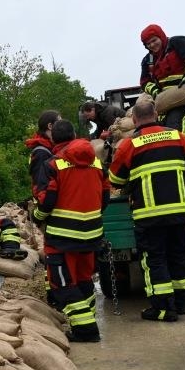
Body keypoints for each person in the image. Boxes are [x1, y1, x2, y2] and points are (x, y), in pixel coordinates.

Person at [108, 99, 185, 321]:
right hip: (179, 213)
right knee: (177, 257)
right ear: (157, 114)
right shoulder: (178, 137)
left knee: (154, 261)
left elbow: (115, 179)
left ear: (134, 119)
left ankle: (162, 309)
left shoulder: (130, 145)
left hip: (149, 216)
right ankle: (180, 304)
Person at [33, 121, 111, 342]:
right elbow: (105, 198)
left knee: (62, 285)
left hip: (62, 238)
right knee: (84, 279)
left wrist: (36, 217)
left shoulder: (53, 165)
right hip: (92, 236)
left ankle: (86, 331)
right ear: (75, 135)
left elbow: (47, 201)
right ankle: (87, 321)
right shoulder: (96, 163)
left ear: (54, 140)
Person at [139, 24, 185, 134]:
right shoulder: (147, 60)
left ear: (161, 36)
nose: (152, 45)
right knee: (158, 125)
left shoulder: (178, 42)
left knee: (175, 121)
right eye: (148, 43)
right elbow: (145, 82)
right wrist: (156, 92)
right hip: (166, 96)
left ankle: (178, 148)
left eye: (154, 40)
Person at [26, 109, 62, 202]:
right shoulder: (41, 152)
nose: (62, 127)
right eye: (59, 123)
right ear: (50, 126)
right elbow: (40, 185)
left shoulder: (48, 148)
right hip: (45, 204)